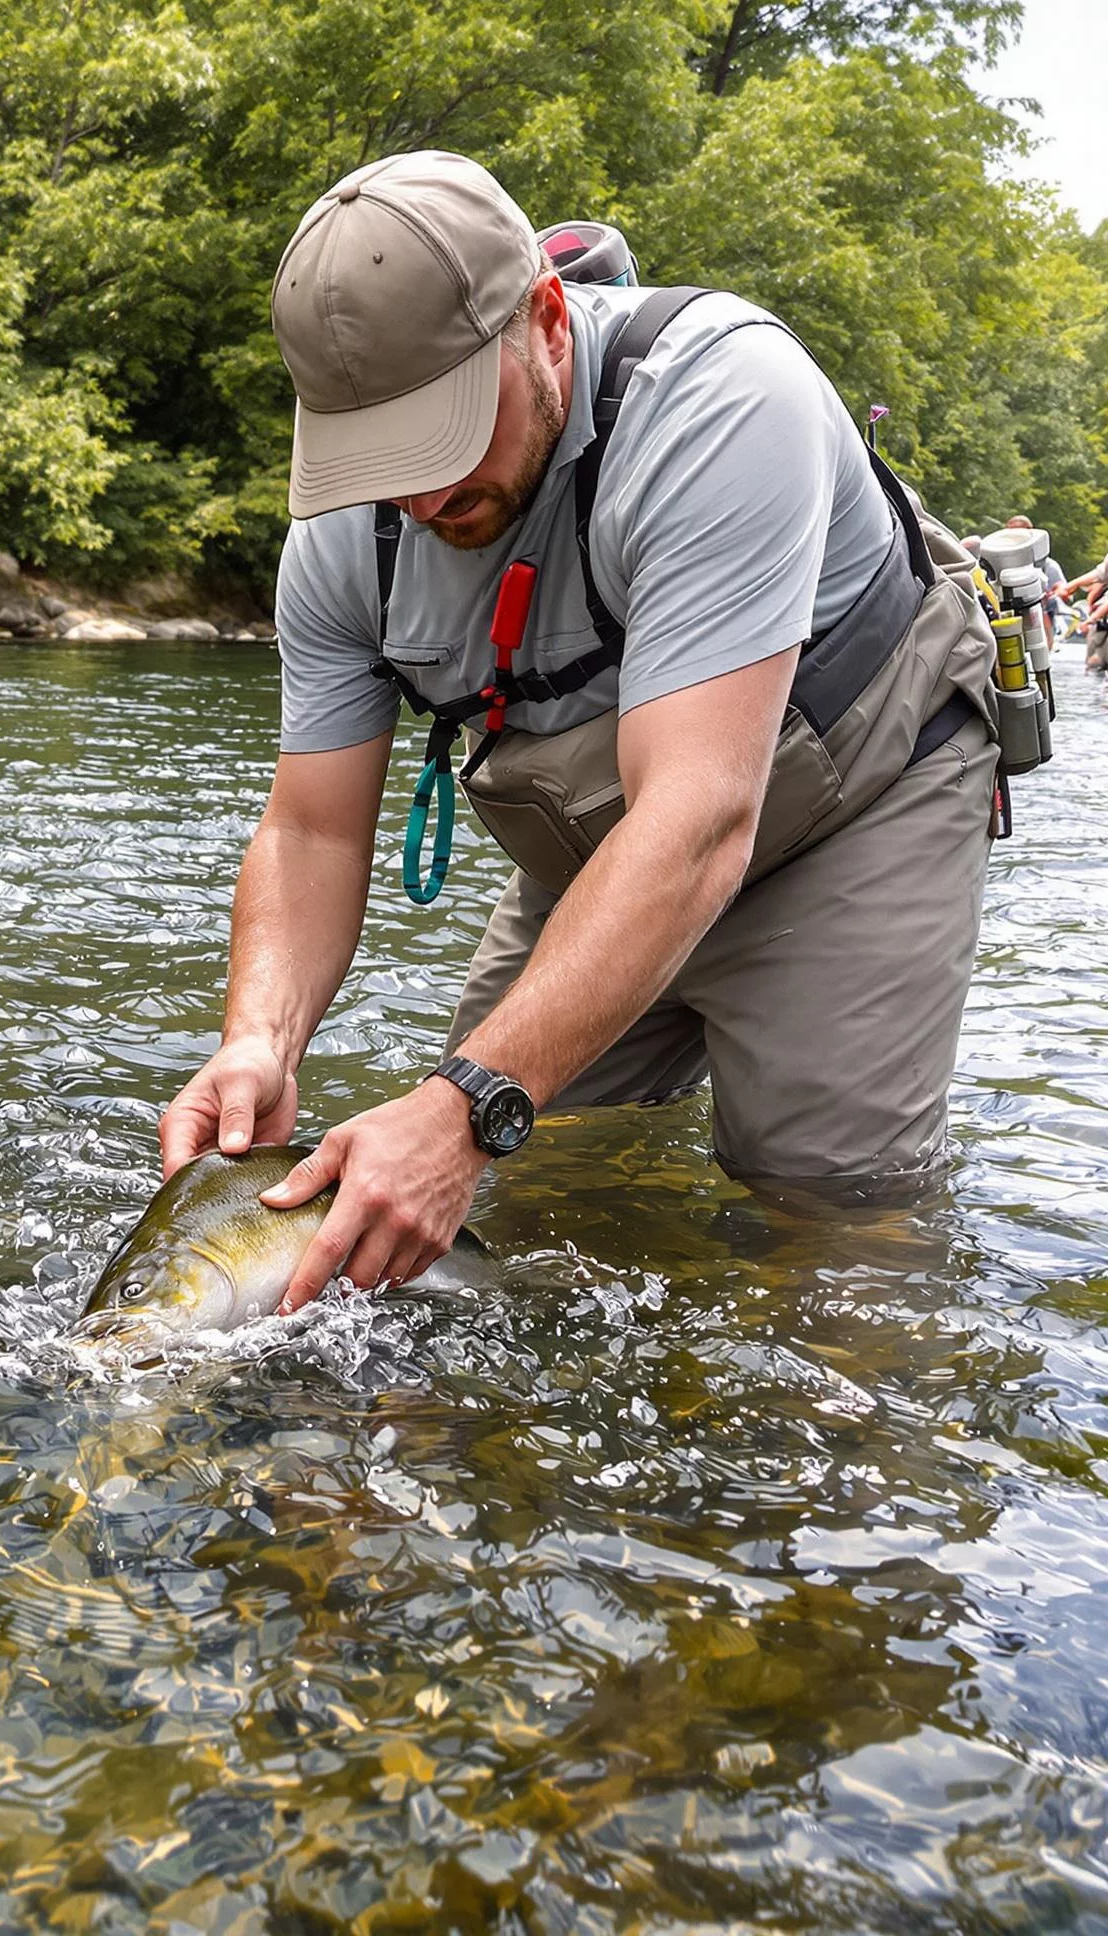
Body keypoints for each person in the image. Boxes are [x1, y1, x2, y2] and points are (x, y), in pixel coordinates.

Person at [161, 151, 999, 1312]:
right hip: (612, 846)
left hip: (852, 808)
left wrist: (464, 1105)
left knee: (825, 1228)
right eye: (377, 454)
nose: (417, 495)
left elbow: (699, 818)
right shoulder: (341, 544)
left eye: (443, 431)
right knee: (510, 1199)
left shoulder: (721, 399)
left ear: (544, 320)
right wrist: (261, 1037)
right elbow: (310, 832)